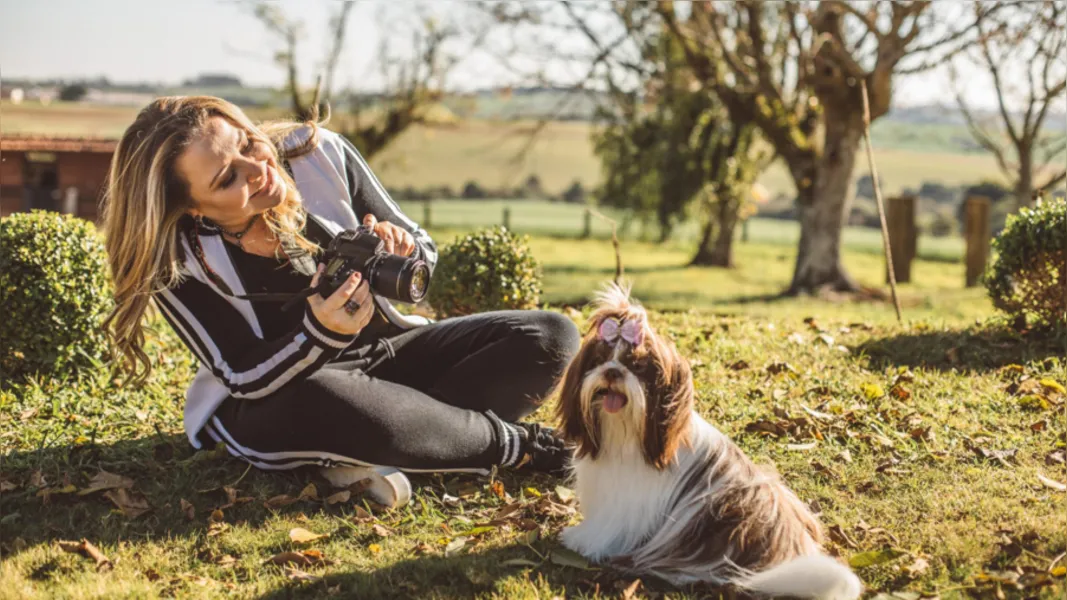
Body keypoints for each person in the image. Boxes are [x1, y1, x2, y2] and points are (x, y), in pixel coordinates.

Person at [101, 96, 579, 507]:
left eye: (248, 143)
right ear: (191, 207)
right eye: (228, 179)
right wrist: (319, 333)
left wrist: (405, 253)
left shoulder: (316, 154)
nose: (259, 169)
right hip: (279, 395)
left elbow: (421, 246)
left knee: (549, 336)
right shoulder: (173, 257)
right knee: (324, 395)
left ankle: (406, 441)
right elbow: (242, 374)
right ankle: (517, 447)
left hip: (391, 353)